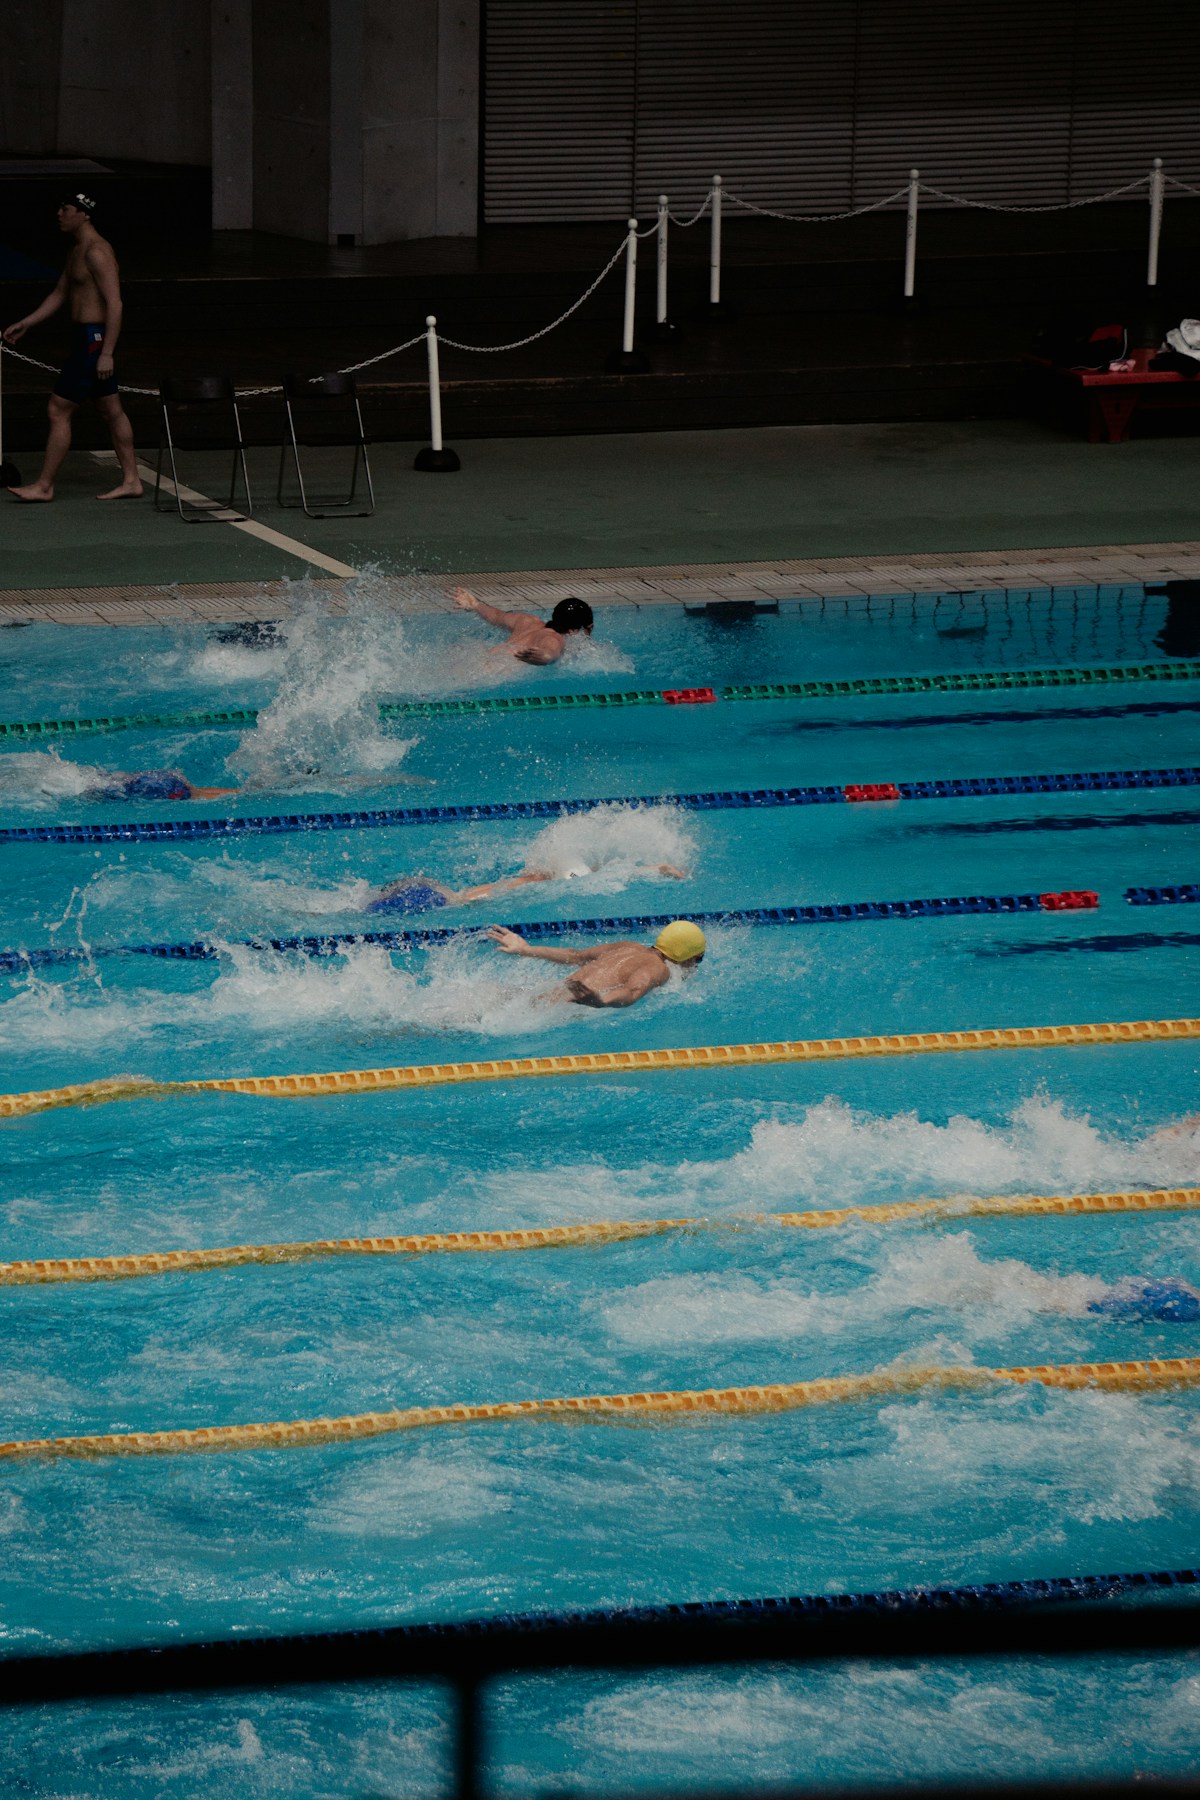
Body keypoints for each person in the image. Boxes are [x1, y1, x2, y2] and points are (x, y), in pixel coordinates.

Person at [3, 194, 142, 503]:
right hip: (86, 338)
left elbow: (116, 304)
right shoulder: (76, 250)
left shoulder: (97, 252)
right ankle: (132, 481)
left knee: (58, 408)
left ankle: (44, 486)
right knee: (111, 409)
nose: (59, 214)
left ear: (84, 214)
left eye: (65, 209)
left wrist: (107, 352)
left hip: (94, 341)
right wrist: (27, 323)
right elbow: (60, 293)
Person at [486, 918, 706, 1007]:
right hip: (566, 1008)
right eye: (698, 958)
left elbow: (575, 956)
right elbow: (631, 992)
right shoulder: (659, 969)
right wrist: (601, 1000)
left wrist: (526, 949)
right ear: (687, 956)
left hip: (547, 996)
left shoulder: (627, 946)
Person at [366, 860, 687, 916]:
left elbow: (611, 872)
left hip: (443, 891)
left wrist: (659, 868)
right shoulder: (547, 882)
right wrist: (658, 869)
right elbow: (612, 874)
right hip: (447, 900)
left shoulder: (537, 875)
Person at [452, 585, 594, 665]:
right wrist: (545, 657)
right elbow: (550, 652)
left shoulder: (527, 620)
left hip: (476, 662)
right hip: (488, 675)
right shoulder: (554, 638)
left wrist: (475, 605)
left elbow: (496, 616)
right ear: (574, 629)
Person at [84, 769, 239, 803]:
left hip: (160, 785)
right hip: (158, 778)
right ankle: (241, 791)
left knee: (195, 794)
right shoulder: (103, 783)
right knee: (195, 792)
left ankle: (242, 792)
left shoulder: (103, 789)